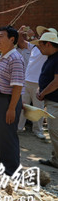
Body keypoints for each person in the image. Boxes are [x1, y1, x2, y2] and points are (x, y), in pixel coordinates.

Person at [0, 26, 24, 176]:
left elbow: (17, 86)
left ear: (12, 39)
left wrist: (11, 108)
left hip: (8, 101)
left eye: (1, 37)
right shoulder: (3, 56)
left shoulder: (15, 58)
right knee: (0, 134)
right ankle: (4, 165)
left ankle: (12, 169)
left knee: (8, 135)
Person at [17, 26, 54, 139]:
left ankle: (38, 130)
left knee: (39, 109)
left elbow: (41, 44)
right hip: (27, 82)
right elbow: (21, 42)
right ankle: (18, 128)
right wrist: (19, 33)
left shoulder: (49, 50)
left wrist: (32, 36)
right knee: (23, 106)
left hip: (39, 84)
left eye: (45, 33)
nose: (42, 35)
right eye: (42, 33)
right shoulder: (34, 47)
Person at [33, 32, 58, 168]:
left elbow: (56, 82)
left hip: (56, 103)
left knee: (54, 132)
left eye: (41, 45)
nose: (39, 47)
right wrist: (40, 89)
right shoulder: (51, 58)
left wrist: (43, 92)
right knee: (54, 132)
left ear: (48, 44)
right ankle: (55, 159)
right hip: (51, 101)